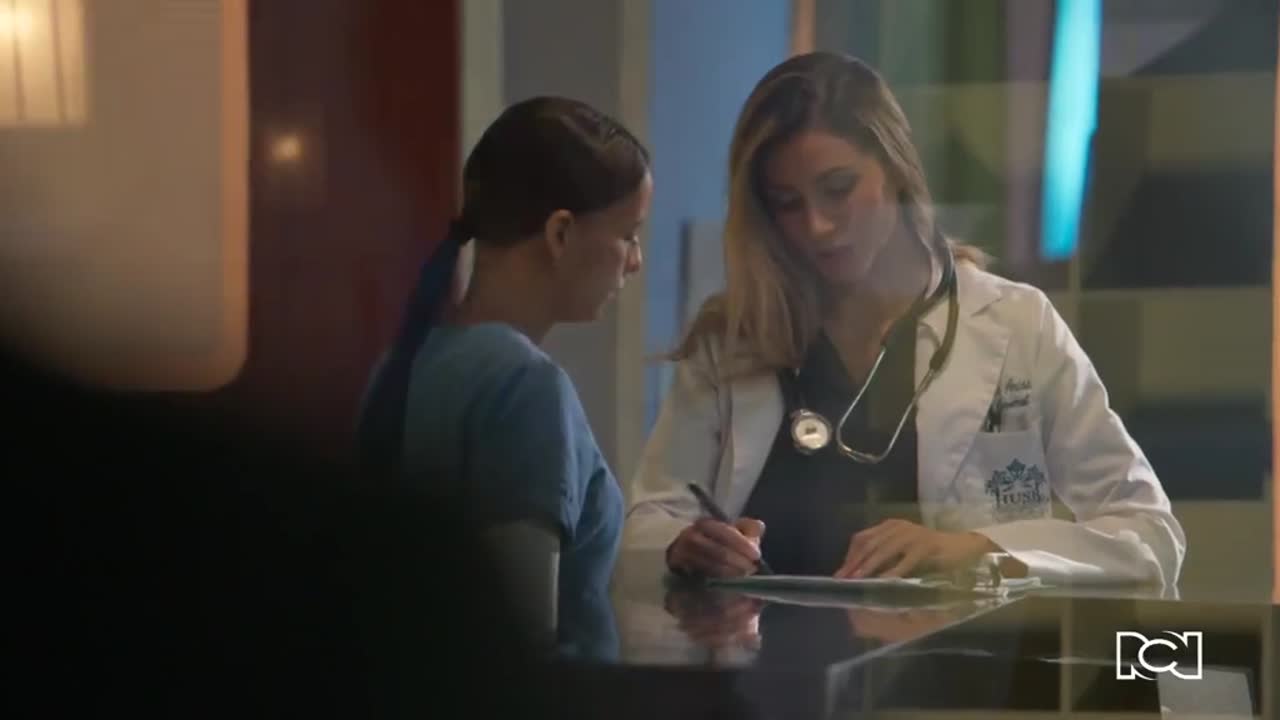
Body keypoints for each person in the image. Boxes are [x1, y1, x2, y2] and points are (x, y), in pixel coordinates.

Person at [623, 52, 1184, 588]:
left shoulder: (1016, 323)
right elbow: (649, 520)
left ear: (894, 168)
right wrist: (682, 545)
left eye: (838, 189)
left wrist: (978, 549)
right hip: (756, 656)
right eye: (787, 203)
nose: (817, 226)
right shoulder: (734, 339)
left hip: (956, 657)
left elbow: (1148, 535)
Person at [356, 96, 651, 657]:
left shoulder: (402, 364)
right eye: (628, 235)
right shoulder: (526, 387)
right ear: (560, 233)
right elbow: (523, 642)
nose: (635, 261)